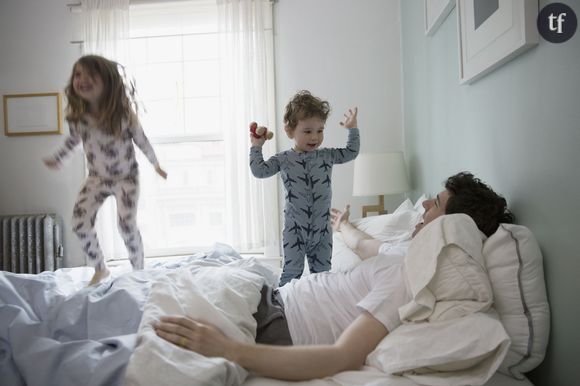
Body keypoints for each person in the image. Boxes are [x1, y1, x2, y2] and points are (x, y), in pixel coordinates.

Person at [154, 171, 513, 381]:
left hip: (275, 322)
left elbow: (344, 357)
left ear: (450, 225)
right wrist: (344, 226)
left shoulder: (410, 276)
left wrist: (226, 349)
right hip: (270, 299)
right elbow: (366, 246)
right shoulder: (404, 252)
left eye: (435, 203)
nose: (423, 206)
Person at [43, 55, 168, 286]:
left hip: (126, 179)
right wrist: (58, 159)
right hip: (97, 179)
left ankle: (139, 270)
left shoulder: (122, 113)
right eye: (78, 74)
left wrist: (155, 163)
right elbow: (72, 142)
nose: (82, 80)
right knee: (79, 223)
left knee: (126, 224)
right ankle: (100, 268)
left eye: (91, 75)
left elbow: (141, 140)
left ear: (108, 81)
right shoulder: (78, 117)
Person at [249, 90, 360, 285]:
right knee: (292, 273)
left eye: (320, 130)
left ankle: (317, 307)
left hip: (322, 231)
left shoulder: (327, 155)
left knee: (323, 276)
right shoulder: (283, 159)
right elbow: (259, 171)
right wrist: (256, 147)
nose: (315, 137)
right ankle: (281, 307)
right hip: (295, 230)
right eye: (307, 131)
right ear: (290, 130)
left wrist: (353, 129)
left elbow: (351, 152)